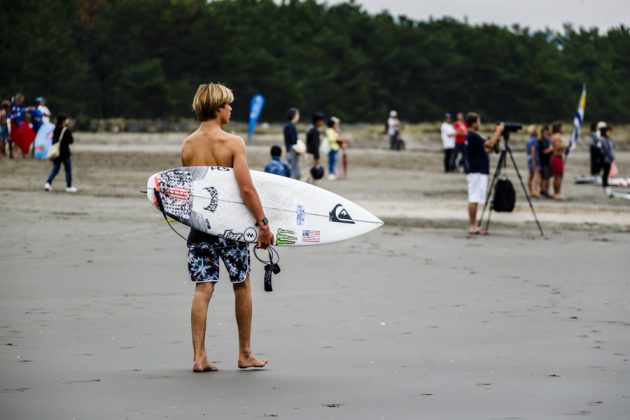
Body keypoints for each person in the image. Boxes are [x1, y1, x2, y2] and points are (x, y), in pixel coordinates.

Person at [180, 83, 273, 372]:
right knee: (241, 284)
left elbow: (194, 193)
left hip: (200, 228)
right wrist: (263, 224)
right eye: (229, 105)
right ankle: (245, 354)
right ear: (219, 108)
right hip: (230, 229)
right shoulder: (233, 143)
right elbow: (246, 188)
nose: (232, 109)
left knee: (202, 288)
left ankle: (199, 357)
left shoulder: (187, 145)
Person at [464, 112, 504, 234]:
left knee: (476, 197)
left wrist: (495, 138)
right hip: (476, 170)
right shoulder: (472, 135)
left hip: (478, 170)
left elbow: (489, 148)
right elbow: (489, 144)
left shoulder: (474, 135)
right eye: (479, 121)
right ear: (474, 123)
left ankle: (474, 224)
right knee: (474, 198)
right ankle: (472, 226)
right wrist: (498, 132)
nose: (480, 124)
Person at [44, 115, 77, 193]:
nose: (67, 121)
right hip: (65, 153)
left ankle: (48, 183)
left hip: (56, 153)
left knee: (55, 169)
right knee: (68, 170)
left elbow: (54, 140)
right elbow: (71, 141)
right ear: (63, 121)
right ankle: (69, 186)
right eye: (66, 120)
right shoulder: (66, 130)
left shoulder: (55, 129)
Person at [305, 112, 325, 184]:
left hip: (309, 154)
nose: (322, 122)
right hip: (312, 155)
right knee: (311, 174)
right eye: (321, 120)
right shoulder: (314, 131)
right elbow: (314, 146)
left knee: (309, 173)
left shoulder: (311, 129)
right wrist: (317, 158)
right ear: (317, 121)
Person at [550, 122, 566, 200]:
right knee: (558, 176)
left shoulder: (554, 136)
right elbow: (557, 147)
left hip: (556, 157)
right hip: (557, 157)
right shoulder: (557, 136)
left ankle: (556, 192)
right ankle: (557, 193)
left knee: (556, 176)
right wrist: (564, 145)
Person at [283, 107, 301, 180]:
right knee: (294, 171)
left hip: (289, 150)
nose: (298, 116)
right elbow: (294, 140)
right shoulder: (290, 126)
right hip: (292, 150)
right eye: (297, 115)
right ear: (294, 115)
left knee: (293, 169)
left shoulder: (288, 125)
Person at [599, 124, 615, 193]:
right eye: (608, 131)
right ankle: (605, 185)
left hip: (609, 158)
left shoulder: (608, 139)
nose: (609, 133)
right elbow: (605, 149)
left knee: (607, 172)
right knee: (605, 172)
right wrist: (610, 156)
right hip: (605, 159)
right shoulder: (603, 139)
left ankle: (605, 185)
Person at [525, 125, 540, 198]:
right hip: (534, 158)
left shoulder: (529, 139)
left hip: (529, 158)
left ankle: (530, 191)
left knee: (530, 175)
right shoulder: (534, 140)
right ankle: (536, 191)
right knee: (536, 175)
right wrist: (534, 161)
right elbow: (533, 149)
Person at [538, 125, 553, 198]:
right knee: (544, 176)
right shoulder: (540, 141)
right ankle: (543, 190)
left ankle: (545, 190)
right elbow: (543, 151)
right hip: (543, 161)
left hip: (547, 160)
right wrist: (550, 149)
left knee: (547, 176)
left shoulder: (547, 139)